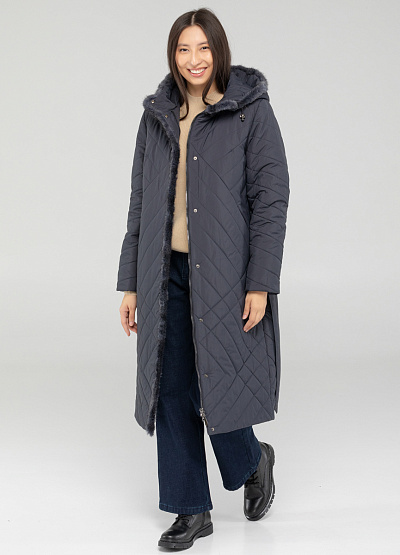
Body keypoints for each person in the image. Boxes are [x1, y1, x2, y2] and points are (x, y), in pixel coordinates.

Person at [116, 8, 290, 550]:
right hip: (163, 271)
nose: (193, 60)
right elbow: (140, 203)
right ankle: (190, 509)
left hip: (225, 275)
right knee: (170, 388)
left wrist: (260, 282)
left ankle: (253, 459)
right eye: (183, 49)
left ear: (219, 50)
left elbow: (271, 201)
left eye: (203, 48)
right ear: (173, 55)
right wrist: (130, 283)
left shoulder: (249, 111)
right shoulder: (157, 115)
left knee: (217, 384)